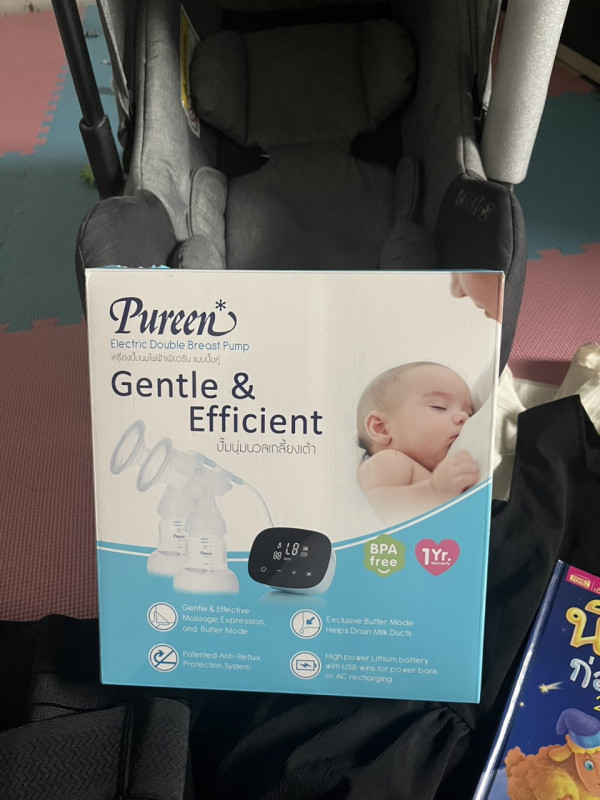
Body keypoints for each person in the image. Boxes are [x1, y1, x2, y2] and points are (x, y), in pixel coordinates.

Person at [357, 361, 480, 523]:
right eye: (439, 407)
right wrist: (434, 492)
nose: (464, 417)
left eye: (469, 414)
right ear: (381, 428)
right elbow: (374, 505)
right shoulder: (388, 460)